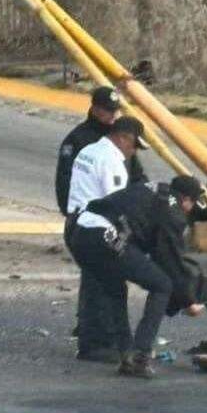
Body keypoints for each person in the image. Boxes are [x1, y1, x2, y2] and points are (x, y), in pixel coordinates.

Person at [67, 176, 205, 379]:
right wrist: (188, 300)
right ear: (186, 199)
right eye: (192, 205)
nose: (189, 210)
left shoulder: (154, 189)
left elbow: (152, 250)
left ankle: (126, 354)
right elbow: (171, 262)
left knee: (115, 287)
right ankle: (140, 356)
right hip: (105, 234)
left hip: (79, 233)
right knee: (162, 285)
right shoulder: (173, 211)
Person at [65, 116, 149, 363]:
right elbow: (116, 203)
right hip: (96, 229)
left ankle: (89, 338)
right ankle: (98, 344)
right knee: (107, 284)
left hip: (75, 223)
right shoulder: (112, 161)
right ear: (123, 137)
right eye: (134, 145)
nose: (133, 152)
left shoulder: (89, 150)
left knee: (92, 283)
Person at [55, 87, 144, 217]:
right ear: (96, 109)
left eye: (115, 110)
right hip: (88, 213)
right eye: (109, 110)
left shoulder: (120, 137)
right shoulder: (78, 139)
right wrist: (69, 211)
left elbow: (136, 173)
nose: (113, 114)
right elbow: (65, 177)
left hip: (120, 208)